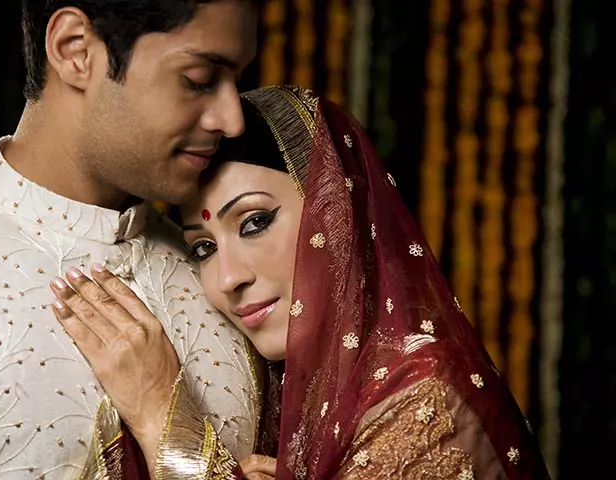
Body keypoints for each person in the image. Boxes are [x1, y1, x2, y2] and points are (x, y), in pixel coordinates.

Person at [53, 85, 552, 479]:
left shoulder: (422, 400)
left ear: (338, 214)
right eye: (203, 247)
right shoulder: (301, 388)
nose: (227, 279)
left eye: (254, 222)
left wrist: (163, 417)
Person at [0, 1, 263, 478]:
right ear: (75, 51)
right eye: (198, 78)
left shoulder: (231, 277)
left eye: (237, 82)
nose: (233, 120)